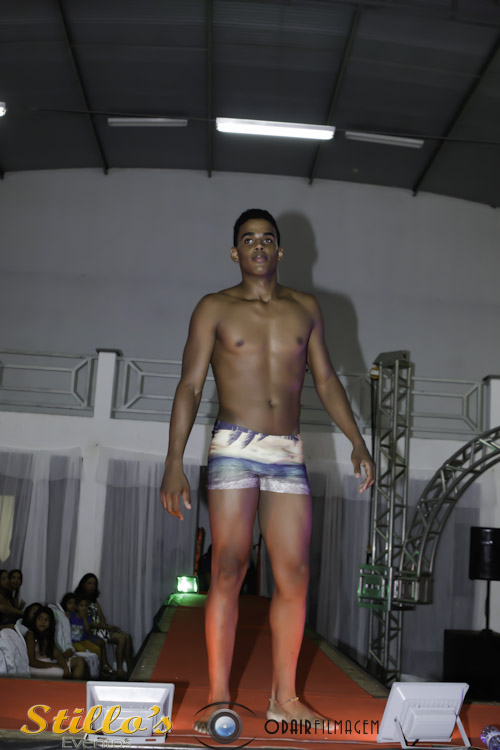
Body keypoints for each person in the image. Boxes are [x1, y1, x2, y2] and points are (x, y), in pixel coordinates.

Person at [160, 208, 375, 733]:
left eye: (267, 238)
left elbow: (326, 380)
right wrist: (173, 461)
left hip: (287, 450)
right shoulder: (214, 307)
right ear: (235, 252)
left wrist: (357, 440)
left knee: (294, 574)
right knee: (229, 567)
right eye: (248, 239)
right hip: (233, 445)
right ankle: (218, 698)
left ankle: (285, 698)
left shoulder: (306, 308)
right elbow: (190, 385)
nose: (259, 245)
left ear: (280, 250)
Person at [74, 573, 133, 678]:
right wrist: (106, 627)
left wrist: (105, 625)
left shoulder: (94, 600)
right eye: (89, 583)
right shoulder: (80, 601)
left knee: (127, 637)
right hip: (92, 631)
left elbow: (101, 616)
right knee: (121, 638)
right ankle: (120, 670)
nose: (92, 586)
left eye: (94, 584)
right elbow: (86, 622)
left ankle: (130, 668)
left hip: (101, 628)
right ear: (83, 584)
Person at [25, 605, 86, 679]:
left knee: (79, 661)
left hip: (50, 662)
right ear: (35, 620)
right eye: (40, 619)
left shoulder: (47, 635)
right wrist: (54, 665)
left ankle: (74, 686)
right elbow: (32, 662)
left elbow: (57, 654)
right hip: (36, 667)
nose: (43, 622)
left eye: (46, 620)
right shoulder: (30, 635)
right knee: (60, 671)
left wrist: (65, 668)